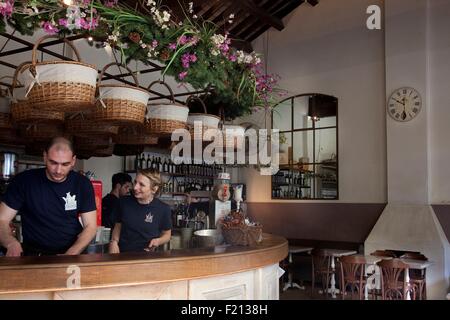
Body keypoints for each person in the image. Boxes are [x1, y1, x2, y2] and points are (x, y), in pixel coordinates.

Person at [0, 137, 97, 256]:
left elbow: (91, 226)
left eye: (65, 164)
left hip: (72, 253)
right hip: (34, 255)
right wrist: (10, 242)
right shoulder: (24, 181)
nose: (58, 170)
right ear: (45, 157)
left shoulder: (82, 184)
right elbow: (2, 219)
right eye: (53, 162)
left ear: (73, 161)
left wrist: (72, 253)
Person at [109, 168, 172, 253]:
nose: (135, 187)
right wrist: (114, 242)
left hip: (147, 258)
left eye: (141, 184)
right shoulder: (123, 202)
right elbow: (118, 226)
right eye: (135, 182)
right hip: (122, 255)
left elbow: (167, 234)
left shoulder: (163, 209)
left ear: (154, 189)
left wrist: (158, 241)